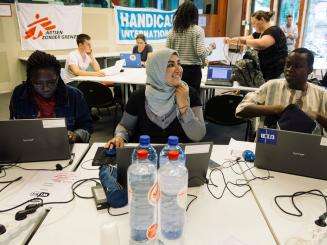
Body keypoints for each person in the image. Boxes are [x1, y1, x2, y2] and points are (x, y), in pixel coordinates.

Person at [106, 48, 206, 147]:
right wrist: (120, 137)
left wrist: (184, 107)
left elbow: (198, 136)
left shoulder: (189, 94)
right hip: (145, 157)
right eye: (170, 65)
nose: (179, 69)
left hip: (178, 158)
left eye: (179, 63)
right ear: (156, 70)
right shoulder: (139, 96)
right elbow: (125, 126)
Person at [235, 48, 327, 135]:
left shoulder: (321, 95)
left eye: (297, 66)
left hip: (308, 149)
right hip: (270, 145)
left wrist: (317, 116)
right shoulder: (271, 86)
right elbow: (241, 110)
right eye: (288, 64)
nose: (290, 69)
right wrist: (275, 109)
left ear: (309, 70)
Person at [10, 50, 93, 143]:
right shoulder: (19, 94)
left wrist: (75, 136)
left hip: (65, 147)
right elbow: (14, 126)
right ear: (30, 80)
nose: (45, 88)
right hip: (30, 147)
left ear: (58, 77)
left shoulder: (74, 95)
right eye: (38, 83)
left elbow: (87, 127)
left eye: (51, 82)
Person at [166, 0, 216, 93]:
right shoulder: (197, 30)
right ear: (194, 15)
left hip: (176, 69)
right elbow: (201, 53)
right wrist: (211, 47)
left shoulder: (172, 32)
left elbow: (167, 53)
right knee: (192, 99)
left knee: (177, 97)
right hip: (193, 71)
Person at [225, 10, 288, 81]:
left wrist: (244, 41)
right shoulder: (260, 33)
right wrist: (230, 40)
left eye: (254, 23)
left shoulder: (274, 31)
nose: (253, 26)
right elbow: (245, 38)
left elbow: (261, 44)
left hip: (275, 75)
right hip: (265, 73)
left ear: (262, 19)